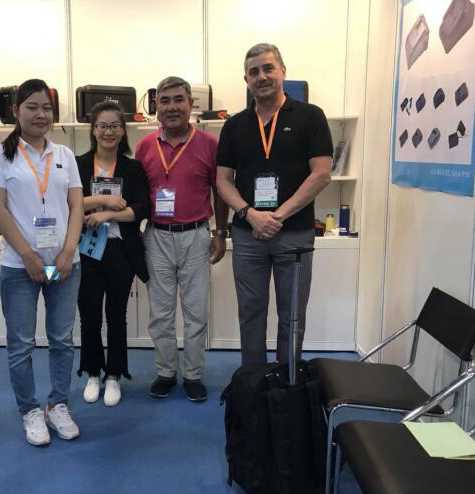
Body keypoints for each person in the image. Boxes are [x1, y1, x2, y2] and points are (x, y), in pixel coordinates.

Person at [0, 79, 84, 446]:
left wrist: (68, 252)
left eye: (47, 108)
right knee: (21, 343)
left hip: (63, 264)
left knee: (62, 340)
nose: (41, 115)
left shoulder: (64, 154)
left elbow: (76, 205)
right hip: (19, 267)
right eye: (32, 107)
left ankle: (58, 404)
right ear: (16, 111)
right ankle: (30, 410)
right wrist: (27, 255)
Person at [216, 43, 333, 365]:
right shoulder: (235, 125)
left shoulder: (310, 116)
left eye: (268, 68)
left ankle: (287, 382)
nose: (262, 76)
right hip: (248, 235)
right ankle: (254, 380)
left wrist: (276, 216)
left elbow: (321, 174)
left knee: (292, 315)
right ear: (246, 79)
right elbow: (222, 180)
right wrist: (249, 214)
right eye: (253, 71)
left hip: (294, 234)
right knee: (250, 313)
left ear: (283, 71)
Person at [135, 76, 229, 402]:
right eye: (165, 101)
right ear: (156, 107)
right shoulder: (145, 147)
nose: (172, 107)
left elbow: (220, 191)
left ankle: (193, 374)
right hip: (157, 237)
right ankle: (165, 371)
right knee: (160, 314)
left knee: (196, 312)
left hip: (196, 236)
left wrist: (220, 232)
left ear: (190, 104)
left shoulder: (209, 144)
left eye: (179, 100)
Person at [76, 101, 150, 407]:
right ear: (93, 130)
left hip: (121, 250)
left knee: (117, 315)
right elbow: (67, 203)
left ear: (123, 131)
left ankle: (115, 375)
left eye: (115, 126)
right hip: (86, 250)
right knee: (89, 315)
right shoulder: (79, 165)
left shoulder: (133, 168)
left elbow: (142, 208)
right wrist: (100, 203)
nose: (109, 132)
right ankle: (93, 372)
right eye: (103, 126)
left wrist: (109, 215)